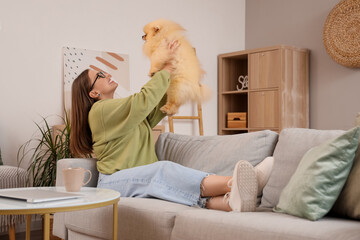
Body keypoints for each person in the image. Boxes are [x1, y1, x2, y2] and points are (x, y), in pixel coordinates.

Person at [69, 41, 273, 212]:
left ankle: (230, 203)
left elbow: (154, 109)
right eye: (99, 76)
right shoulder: (99, 111)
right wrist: (165, 69)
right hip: (114, 182)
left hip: (135, 178)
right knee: (162, 170)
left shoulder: (121, 113)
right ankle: (236, 181)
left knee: (165, 185)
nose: (106, 75)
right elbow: (143, 101)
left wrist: (174, 77)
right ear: (93, 94)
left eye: (104, 71)